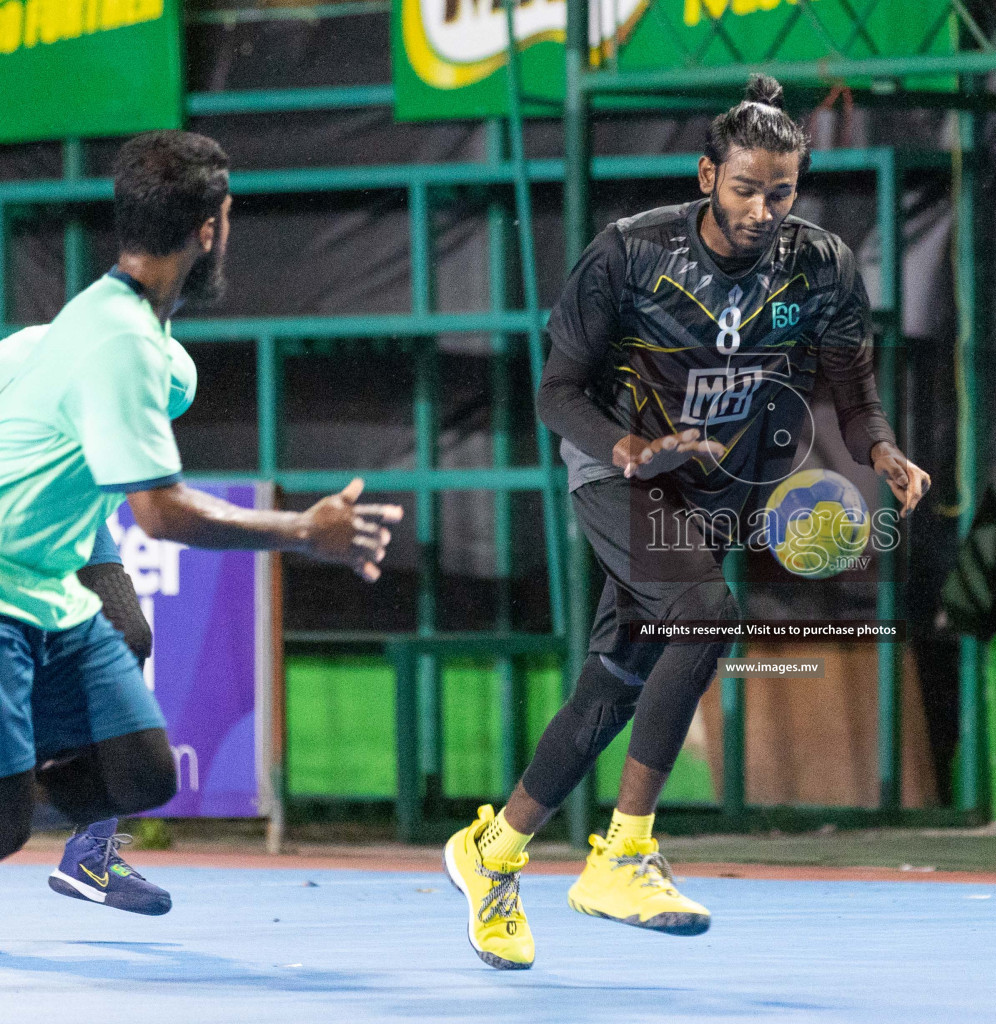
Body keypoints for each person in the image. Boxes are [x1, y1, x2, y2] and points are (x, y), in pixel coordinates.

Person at [442, 74, 931, 970]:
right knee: (709, 615)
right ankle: (624, 854)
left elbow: (849, 379)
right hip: (618, 467)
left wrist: (883, 448)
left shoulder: (815, 266)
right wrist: (627, 447)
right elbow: (555, 392)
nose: (762, 208)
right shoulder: (632, 254)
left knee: (617, 681)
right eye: (745, 188)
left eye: (781, 192)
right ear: (707, 174)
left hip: (712, 488)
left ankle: (495, 850)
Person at [0, 131, 403, 881]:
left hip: (50, 585)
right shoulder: (119, 345)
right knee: (5, 823)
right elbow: (161, 514)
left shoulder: (136, 336)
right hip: (6, 583)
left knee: (145, 773)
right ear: (211, 227)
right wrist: (305, 531)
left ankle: (65, 835)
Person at [2, 323, 193, 914]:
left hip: (76, 524)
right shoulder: (21, 367)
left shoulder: (172, 376)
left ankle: (90, 853)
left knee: (128, 634)